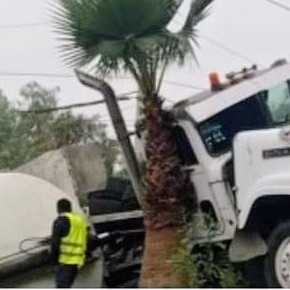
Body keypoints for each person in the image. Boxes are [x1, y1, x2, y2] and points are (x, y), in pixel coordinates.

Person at [51, 198, 88, 288]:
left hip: (65, 262)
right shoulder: (79, 220)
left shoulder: (60, 221)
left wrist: (54, 262)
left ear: (58, 209)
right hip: (78, 261)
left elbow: (55, 244)